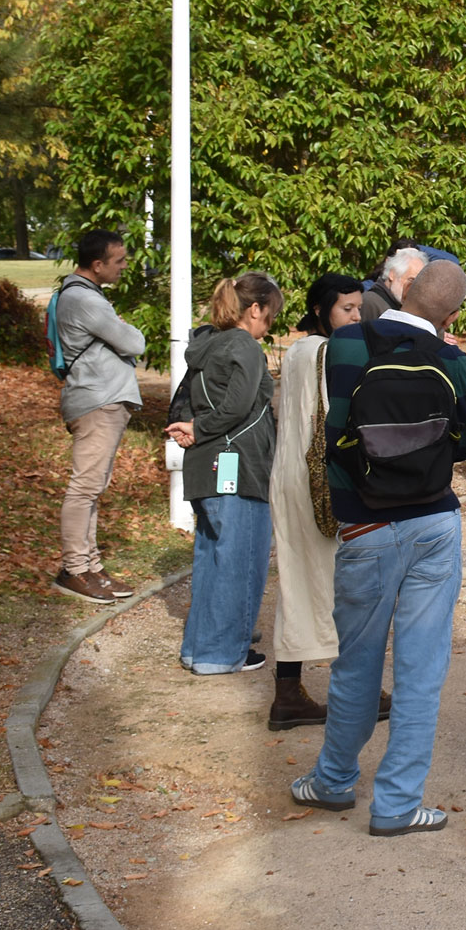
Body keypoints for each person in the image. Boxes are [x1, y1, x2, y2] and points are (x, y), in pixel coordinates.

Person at [290, 261, 466, 836]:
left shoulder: (347, 344)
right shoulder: (451, 360)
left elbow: (338, 425)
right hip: (434, 523)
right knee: (422, 670)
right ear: (452, 315)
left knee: (357, 663)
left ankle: (333, 780)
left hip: (365, 527)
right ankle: (398, 804)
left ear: (405, 289)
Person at [266, 274, 386, 730]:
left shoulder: (299, 349)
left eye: (358, 308)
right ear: (320, 309)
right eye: (346, 309)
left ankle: (288, 693)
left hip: (290, 476)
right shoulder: (328, 351)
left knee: (298, 584)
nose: (356, 316)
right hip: (320, 483)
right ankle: (358, 691)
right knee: (347, 588)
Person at [165, 273, 283, 675]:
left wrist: (195, 428)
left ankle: (198, 648)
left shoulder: (208, 342)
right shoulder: (244, 345)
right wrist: (200, 428)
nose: (269, 325)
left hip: (206, 467)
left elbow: (199, 401)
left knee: (212, 561)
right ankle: (223, 653)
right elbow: (237, 406)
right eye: (270, 315)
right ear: (255, 309)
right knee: (240, 562)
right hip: (238, 465)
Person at [51, 229, 146, 604]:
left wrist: (119, 327)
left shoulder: (86, 296)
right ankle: (74, 570)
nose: (123, 266)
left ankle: (90, 566)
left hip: (102, 400)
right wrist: (123, 328)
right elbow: (134, 342)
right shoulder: (85, 300)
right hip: (97, 402)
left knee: (92, 488)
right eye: (118, 261)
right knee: (84, 488)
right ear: (97, 264)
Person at [360, 243, 425, 323]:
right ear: (392, 274)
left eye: (418, 283)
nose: (413, 288)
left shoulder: (405, 306)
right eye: (411, 280)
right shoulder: (370, 303)